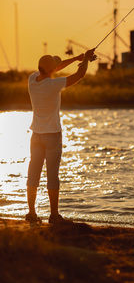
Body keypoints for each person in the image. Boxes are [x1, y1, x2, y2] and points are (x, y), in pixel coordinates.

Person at [26, 49, 95, 224]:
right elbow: (80, 75)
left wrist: (77, 58)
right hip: (52, 136)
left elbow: (57, 66)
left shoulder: (32, 79)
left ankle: (31, 213)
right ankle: (54, 215)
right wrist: (85, 59)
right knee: (52, 176)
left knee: (33, 174)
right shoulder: (54, 84)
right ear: (52, 69)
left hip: (35, 136)